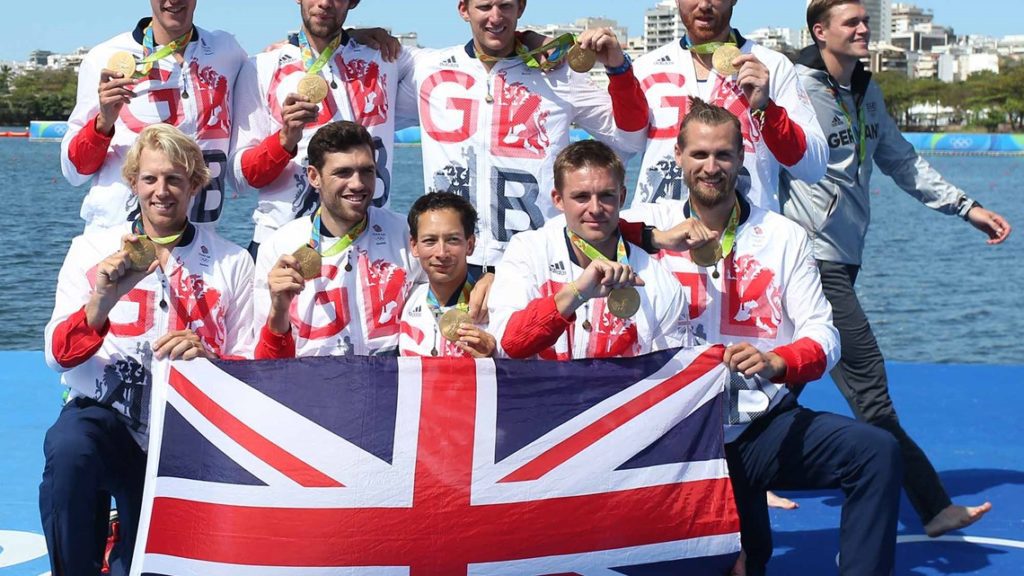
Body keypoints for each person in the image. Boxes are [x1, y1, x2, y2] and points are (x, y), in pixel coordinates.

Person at [625, 99, 901, 576]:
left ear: (741, 157)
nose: (711, 167)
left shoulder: (784, 236)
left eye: (724, 155)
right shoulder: (646, 231)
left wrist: (780, 362)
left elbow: (823, 332)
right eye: (699, 155)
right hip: (677, 437)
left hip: (758, 428)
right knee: (737, 563)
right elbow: (576, 227)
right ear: (678, 155)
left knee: (877, 452)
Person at [780, 0, 1012, 538]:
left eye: (866, 21)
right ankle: (932, 505)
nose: (864, 29)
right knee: (869, 387)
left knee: (785, 374)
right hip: (809, 257)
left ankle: (746, 473)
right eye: (852, 23)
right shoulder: (790, 82)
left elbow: (901, 159)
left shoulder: (866, 89)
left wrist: (966, 208)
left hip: (844, 252)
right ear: (820, 31)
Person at [41, 124, 256, 575]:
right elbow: (57, 356)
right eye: (151, 179)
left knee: (142, 564)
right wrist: (100, 301)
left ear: (196, 185)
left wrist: (211, 360)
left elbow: (251, 367)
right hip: (106, 420)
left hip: (187, 432)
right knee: (68, 450)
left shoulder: (232, 261)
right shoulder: (91, 249)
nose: (162, 191)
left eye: (175, 179)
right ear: (133, 181)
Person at [403, 0, 651, 274]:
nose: (495, 17)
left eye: (505, 6)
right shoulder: (426, 68)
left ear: (520, 8)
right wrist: (369, 34)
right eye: (484, 7)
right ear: (463, 10)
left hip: (537, 260)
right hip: (453, 261)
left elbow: (631, 139)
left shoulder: (557, 74)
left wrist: (618, 68)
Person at [231, 0, 417, 257]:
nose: (324, 3)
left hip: (368, 242)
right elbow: (240, 177)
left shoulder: (385, 58)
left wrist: (354, 34)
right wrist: (285, 139)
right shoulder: (261, 67)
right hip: (283, 245)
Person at [488, 140, 686, 360]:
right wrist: (576, 293)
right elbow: (508, 346)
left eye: (606, 196)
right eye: (581, 197)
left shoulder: (659, 282)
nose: (595, 208)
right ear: (558, 199)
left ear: (621, 197)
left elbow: (671, 381)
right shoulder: (529, 252)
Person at [61, 0, 247, 232]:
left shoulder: (227, 51)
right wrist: (103, 123)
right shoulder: (103, 58)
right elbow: (73, 172)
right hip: (117, 237)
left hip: (199, 241)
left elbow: (263, 71)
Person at [630, 0, 827, 212]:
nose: (704, 4)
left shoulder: (772, 67)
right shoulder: (644, 67)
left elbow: (813, 168)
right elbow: (615, 152)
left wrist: (766, 109)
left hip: (747, 235)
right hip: (660, 236)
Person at [253, 120, 419, 359]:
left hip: (390, 386)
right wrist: (279, 310)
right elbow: (265, 364)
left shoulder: (406, 233)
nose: (358, 184)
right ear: (314, 177)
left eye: (367, 171)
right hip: (316, 388)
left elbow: (439, 305)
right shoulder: (279, 247)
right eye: (343, 173)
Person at [399, 193, 497, 358]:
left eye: (452, 240)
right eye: (430, 241)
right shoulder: (406, 299)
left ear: (470, 245)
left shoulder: (495, 303)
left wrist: (495, 355)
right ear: (414, 246)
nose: (441, 253)